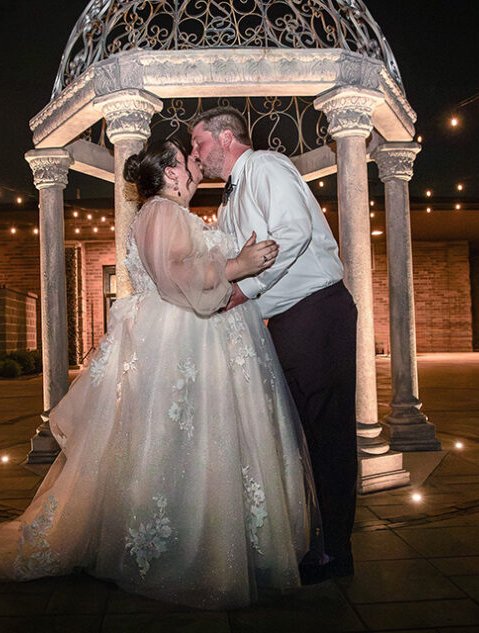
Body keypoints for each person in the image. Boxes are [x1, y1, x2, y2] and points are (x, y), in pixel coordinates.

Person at [0, 137, 321, 610]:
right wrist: (238, 264)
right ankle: (185, 550)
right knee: (180, 441)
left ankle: (213, 539)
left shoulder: (170, 214)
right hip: (182, 343)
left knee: (197, 442)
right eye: (187, 158)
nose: (195, 163)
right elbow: (175, 276)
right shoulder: (160, 211)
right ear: (171, 173)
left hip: (197, 341)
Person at [190, 107, 357, 581]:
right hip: (284, 322)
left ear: (226, 136)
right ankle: (315, 541)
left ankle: (337, 553)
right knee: (300, 436)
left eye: (200, 143)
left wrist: (245, 291)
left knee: (328, 434)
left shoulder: (265, 166)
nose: (196, 154)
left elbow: (294, 233)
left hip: (316, 312)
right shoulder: (230, 198)